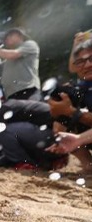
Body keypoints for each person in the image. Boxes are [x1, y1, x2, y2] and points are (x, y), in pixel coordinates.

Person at [0, 92, 66, 170]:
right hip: (53, 138)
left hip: (53, 137)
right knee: (0, 151)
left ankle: (23, 163)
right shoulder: (5, 106)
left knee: (3, 130)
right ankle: (48, 161)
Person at [46, 37, 92, 171]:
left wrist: (72, 112)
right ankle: (88, 164)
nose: (87, 65)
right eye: (81, 62)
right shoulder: (72, 91)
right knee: (59, 116)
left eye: (91, 59)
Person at [0, 27, 41, 101]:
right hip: (11, 95)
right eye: (6, 38)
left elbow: (13, 54)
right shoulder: (7, 59)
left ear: (20, 36)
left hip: (27, 90)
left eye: (10, 35)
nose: (7, 38)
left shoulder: (30, 44)